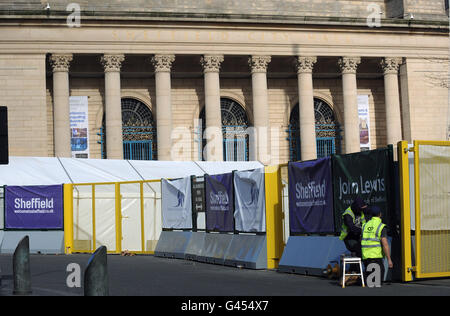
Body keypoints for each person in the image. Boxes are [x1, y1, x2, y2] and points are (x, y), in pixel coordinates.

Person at [361, 205, 393, 285]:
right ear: (380, 214)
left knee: (370, 282)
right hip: (376, 257)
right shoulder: (381, 226)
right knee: (377, 283)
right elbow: (385, 244)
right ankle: (356, 279)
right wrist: (389, 259)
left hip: (365, 258)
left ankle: (358, 278)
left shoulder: (365, 225)